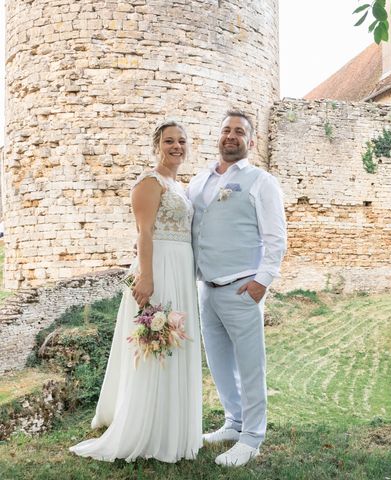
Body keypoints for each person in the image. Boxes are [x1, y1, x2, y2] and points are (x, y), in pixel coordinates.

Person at [69, 121, 202, 463]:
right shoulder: (149, 182)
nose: (177, 146)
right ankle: (149, 428)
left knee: (178, 343)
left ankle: (175, 424)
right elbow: (144, 233)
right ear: (157, 145)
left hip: (182, 268)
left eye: (182, 141)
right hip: (158, 269)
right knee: (156, 346)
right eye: (169, 141)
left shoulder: (181, 186)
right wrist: (146, 277)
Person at [188, 110, 287, 467]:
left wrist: (263, 281)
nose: (231, 137)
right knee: (217, 362)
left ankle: (252, 437)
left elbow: (276, 237)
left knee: (250, 365)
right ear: (219, 136)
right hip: (206, 288)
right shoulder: (199, 181)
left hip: (242, 288)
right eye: (227, 130)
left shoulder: (261, 181)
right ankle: (233, 421)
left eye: (240, 132)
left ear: (251, 141)